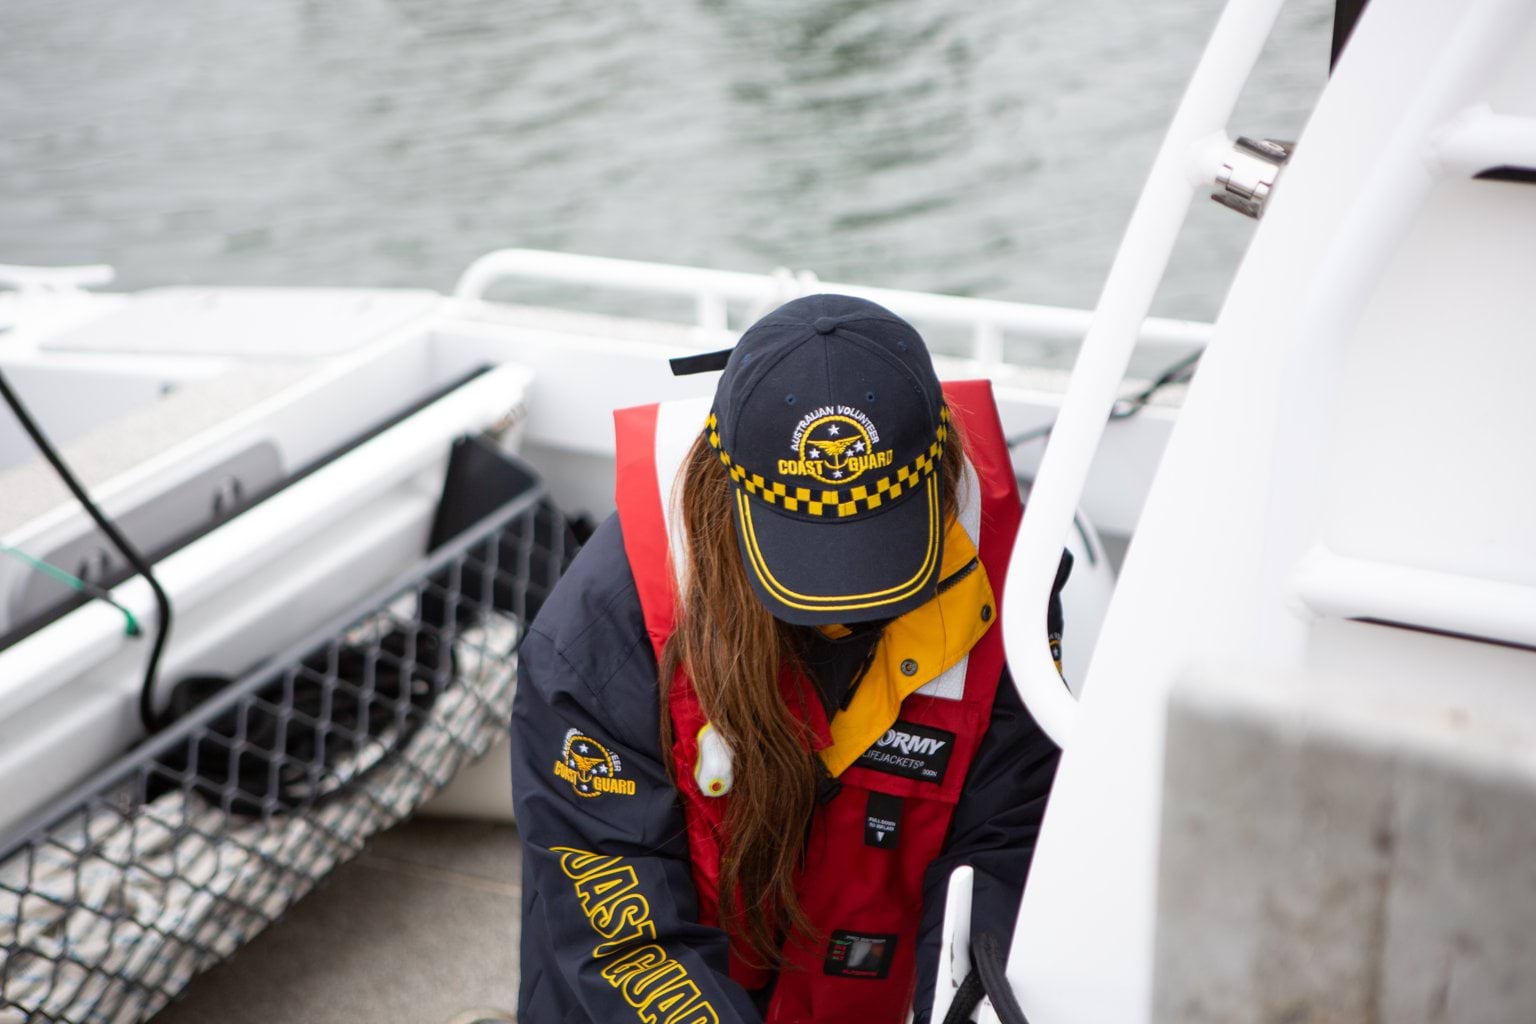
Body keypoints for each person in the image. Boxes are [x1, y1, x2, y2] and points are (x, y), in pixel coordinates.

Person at [511, 294, 1062, 1024]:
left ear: (941, 473)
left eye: (877, 555)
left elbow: (1002, 845)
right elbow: (624, 932)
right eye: (810, 569)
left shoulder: (1014, 590)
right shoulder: (596, 638)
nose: (846, 607)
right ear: (724, 491)